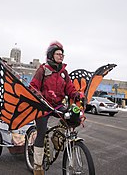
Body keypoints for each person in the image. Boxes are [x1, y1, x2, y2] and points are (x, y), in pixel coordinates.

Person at [29, 41, 80, 175]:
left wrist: (76, 95)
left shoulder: (64, 72)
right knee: (41, 133)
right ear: (51, 55)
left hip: (57, 105)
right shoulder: (42, 69)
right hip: (43, 105)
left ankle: (57, 136)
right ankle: (38, 166)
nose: (61, 56)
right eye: (58, 54)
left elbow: (70, 88)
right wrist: (38, 95)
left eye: (62, 54)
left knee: (72, 118)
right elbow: (33, 86)